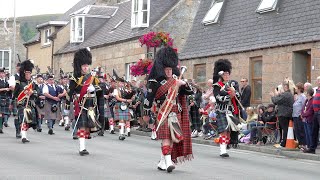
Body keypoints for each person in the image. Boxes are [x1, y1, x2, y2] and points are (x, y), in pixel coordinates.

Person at [143, 46, 193, 173]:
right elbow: (149, 98)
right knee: (166, 137)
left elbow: (188, 92)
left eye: (171, 69)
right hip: (163, 112)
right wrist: (146, 113)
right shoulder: (155, 82)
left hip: (175, 112)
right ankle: (168, 161)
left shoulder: (176, 80)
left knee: (171, 138)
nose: (170, 72)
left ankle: (162, 162)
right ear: (162, 69)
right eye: (167, 69)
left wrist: (184, 84)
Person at [64, 48, 105, 156]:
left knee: (88, 126)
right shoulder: (74, 78)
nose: (86, 67)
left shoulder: (92, 77)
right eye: (84, 66)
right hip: (80, 103)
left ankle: (83, 144)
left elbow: (101, 88)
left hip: (91, 105)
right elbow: (70, 92)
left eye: (87, 65)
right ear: (80, 66)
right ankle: (82, 148)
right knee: (82, 125)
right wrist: (67, 108)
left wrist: (94, 88)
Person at [212, 59, 241, 157]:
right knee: (223, 130)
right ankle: (222, 150)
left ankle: (226, 144)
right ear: (221, 75)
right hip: (221, 110)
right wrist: (229, 95)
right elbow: (218, 98)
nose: (227, 76)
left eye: (228, 74)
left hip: (231, 110)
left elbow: (238, 96)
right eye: (224, 74)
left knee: (230, 130)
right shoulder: (217, 86)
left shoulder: (232, 85)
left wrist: (234, 92)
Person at [13, 60, 39, 143]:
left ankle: (24, 134)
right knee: (23, 120)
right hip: (22, 104)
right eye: (26, 73)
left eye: (29, 73)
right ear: (24, 73)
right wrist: (12, 103)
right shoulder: (19, 82)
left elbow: (38, 92)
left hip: (30, 104)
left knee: (28, 121)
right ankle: (23, 136)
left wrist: (33, 92)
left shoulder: (33, 83)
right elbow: (15, 94)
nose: (28, 75)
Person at [270, 81, 294, 148]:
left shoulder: (286, 94)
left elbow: (275, 101)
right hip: (287, 113)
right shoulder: (289, 94)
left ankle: (284, 143)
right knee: (286, 128)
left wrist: (272, 96)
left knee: (285, 129)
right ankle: (286, 141)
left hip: (283, 114)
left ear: (285, 87)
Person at [8, 63, 21, 138]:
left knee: (23, 116)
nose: (20, 68)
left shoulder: (25, 77)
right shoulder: (13, 77)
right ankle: (18, 131)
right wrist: (19, 90)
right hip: (16, 98)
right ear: (16, 68)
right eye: (19, 67)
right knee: (16, 115)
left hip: (25, 99)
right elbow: (12, 87)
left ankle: (23, 131)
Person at [292, 82, 306, 148]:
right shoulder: (297, 96)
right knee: (296, 130)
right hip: (295, 115)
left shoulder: (303, 96)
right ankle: (300, 143)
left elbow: (304, 105)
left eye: (296, 88)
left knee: (301, 130)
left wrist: (302, 113)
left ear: (299, 89)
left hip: (299, 115)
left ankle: (303, 143)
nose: (295, 89)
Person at [301, 88, 314, 152]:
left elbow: (310, 111)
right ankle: (308, 146)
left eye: (306, 92)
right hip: (304, 119)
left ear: (308, 93)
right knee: (306, 133)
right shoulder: (306, 100)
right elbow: (303, 108)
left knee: (310, 133)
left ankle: (311, 146)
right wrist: (303, 114)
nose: (305, 93)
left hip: (309, 119)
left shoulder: (312, 100)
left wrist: (304, 114)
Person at [0, 68, 10, 134]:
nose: (2, 74)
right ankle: (0, 127)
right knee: (0, 114)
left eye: (3, 73)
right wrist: (5, 89)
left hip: (5, 98)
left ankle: (2, 125)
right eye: (1, 73)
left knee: (4, 114)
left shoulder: (7, 81)